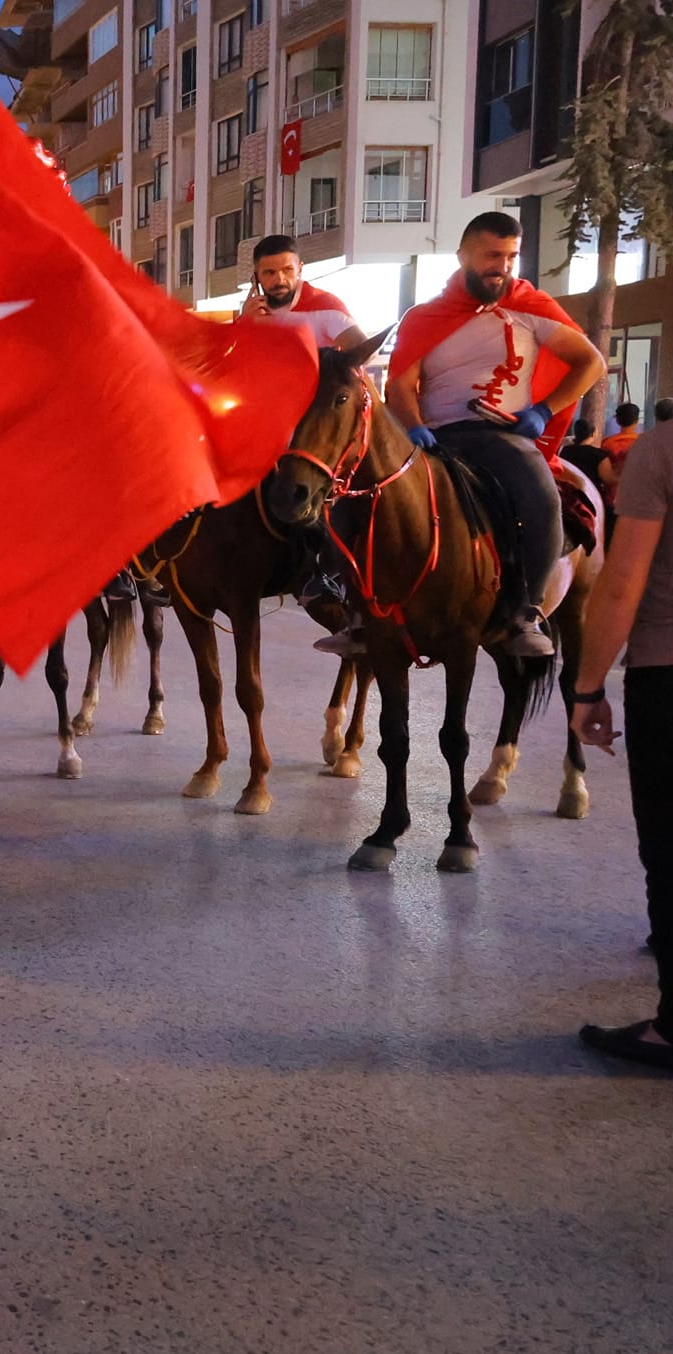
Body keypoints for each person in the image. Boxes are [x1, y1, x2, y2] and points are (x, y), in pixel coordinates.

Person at [319, 211, 607, 658]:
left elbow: (590, 363)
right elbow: (399, 385)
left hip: (505, 435)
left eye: (511, 256)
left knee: (542, 497)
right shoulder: (423, 317)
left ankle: (525, 613)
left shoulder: (531, 309)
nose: (504, 266)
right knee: (352, 502)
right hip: (434, 437)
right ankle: (357, 614)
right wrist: (413, 425)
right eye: (493, 255)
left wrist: (543, 410)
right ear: (464, 256)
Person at [573, 416, 673, 1069]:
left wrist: (587, 686)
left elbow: (623, 578)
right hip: (449, 428)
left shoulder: (660, 445)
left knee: (668, 845)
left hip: (665, 668)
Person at [234, 234, 370, 351]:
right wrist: (243, 325)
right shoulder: (252, 314)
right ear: (256, 276)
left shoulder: (325, 306)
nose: (280, 280)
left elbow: (365, 351)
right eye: (270, 272)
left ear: (299, 269)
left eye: (287, 270)